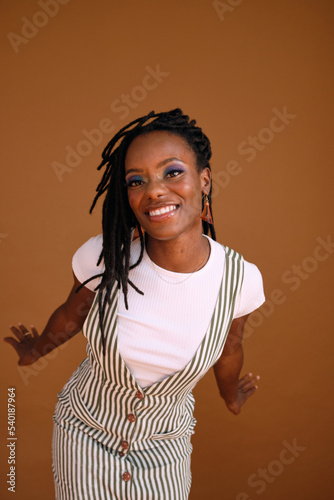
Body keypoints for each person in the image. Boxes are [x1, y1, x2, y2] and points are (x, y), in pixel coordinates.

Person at [5, 109, 265, 499]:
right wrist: (36, 349)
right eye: (136, 180)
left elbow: (229, 347)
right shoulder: (105, 257)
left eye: (172, 172)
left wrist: (230, 395)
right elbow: (71, 315)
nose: (154, 190)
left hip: (166, 445)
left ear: (204, 180)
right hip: (85, 431)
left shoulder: (240, 279)